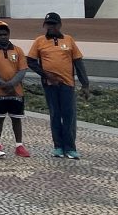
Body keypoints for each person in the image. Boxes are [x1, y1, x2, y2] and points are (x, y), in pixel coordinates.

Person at [27, 12, 90, 159]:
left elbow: (78, 63)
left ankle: (70, 147)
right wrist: (46, 75)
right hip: (50, 84)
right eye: (48, 24)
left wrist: (85, 84)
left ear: (59, 25)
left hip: (67, 84)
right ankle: (58, 147)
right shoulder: (39, 41)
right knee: (55, 114)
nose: (50, 27)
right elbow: (30, 61)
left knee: (69, 115)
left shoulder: (68, 40)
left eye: (53, 24)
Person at [0, 22, 30, 158]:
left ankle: (19, 145)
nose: (3, 36)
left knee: (16, 118)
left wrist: (12, 84)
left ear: (9, 34)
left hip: (16, 91)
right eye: (0, 34)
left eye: (5, 34)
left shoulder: (18, 50)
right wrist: (2, 84)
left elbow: (22, 70)